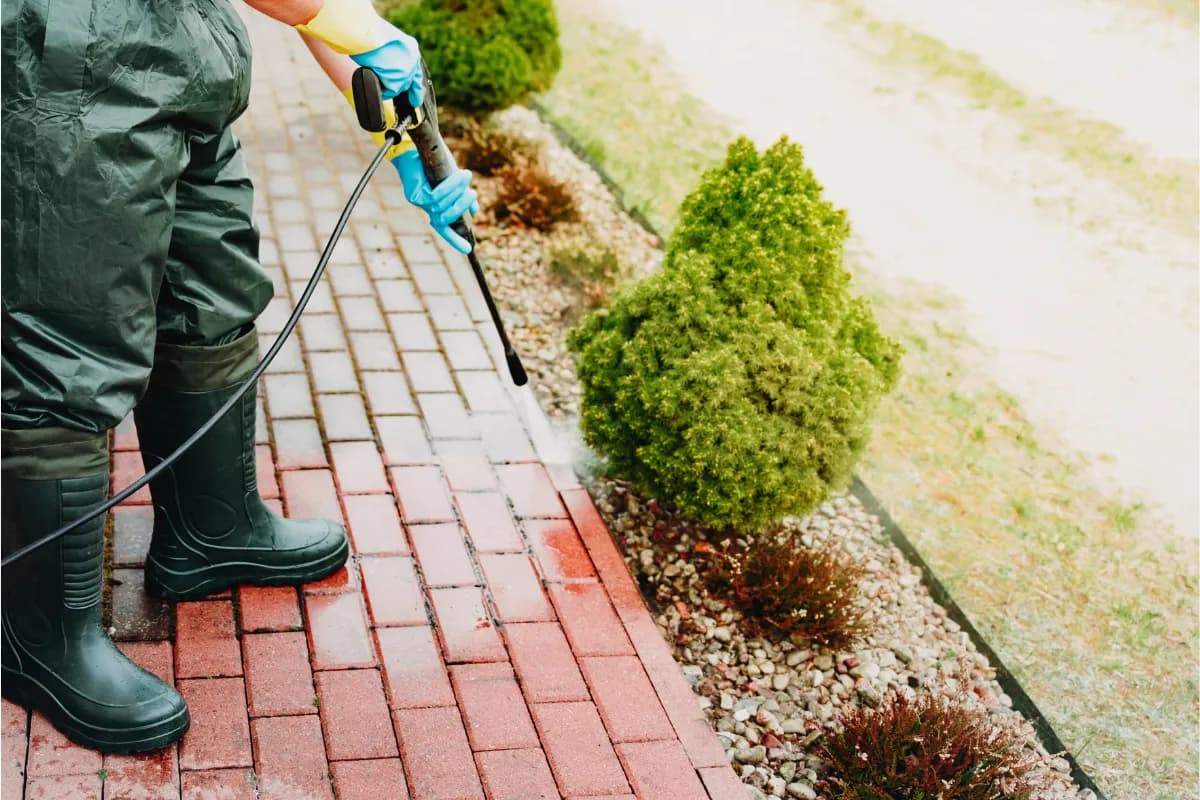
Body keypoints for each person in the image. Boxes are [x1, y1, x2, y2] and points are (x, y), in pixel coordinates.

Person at [0, 0, 476, 753]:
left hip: (185, 58)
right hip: (68, 64)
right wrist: (363, 31)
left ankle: (209, 532)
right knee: (69, 347)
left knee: (210, 294)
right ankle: (37, 637)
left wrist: (408, 141)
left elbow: (323, 12)